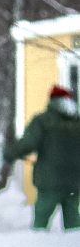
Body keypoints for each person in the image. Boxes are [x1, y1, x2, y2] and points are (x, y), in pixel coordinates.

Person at [5, 84, 80, 231]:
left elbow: (28, 143)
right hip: (74, 181)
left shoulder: (43, 121)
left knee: (41, 221)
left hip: (50, 180)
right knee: (73, 225)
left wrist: (9, 154)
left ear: (52, 100)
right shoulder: (77, 122)